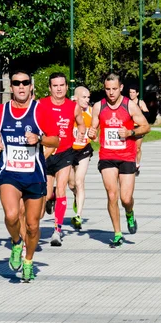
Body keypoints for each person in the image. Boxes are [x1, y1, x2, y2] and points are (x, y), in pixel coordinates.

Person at [0, 70, 59, 283]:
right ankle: (16, 242)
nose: (21, 86)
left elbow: (56, 140)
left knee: (33, 225)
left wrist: (39, 139)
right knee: (11, 215)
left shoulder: (40, 111)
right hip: (9, 171)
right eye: (17, 83)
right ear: (11, 87)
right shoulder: (2, 110)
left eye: (25, 83)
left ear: (31, 86)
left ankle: (28, 260)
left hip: (34, 174)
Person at [88, 73, 150, 248]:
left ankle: (129, 213)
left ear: (121, 88)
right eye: (107, 89)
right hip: (107, 157)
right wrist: (91, 133)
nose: (111, 93)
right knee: (112, 195)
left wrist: (130, 133)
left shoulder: (129, 106)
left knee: (125, 198)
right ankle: (117, 233)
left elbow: (146, 126)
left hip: (127, 157)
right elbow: (93, 129)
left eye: (114, 89)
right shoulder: (98, 106)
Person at [39, 73, 86, 247]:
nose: (59, 89)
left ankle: (57, 230)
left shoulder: (73, 106)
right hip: (45, 153)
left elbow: (80, 123)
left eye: (61, 85)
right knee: (43, 195)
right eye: (55, 86)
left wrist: (81, 132)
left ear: (67, 87)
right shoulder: (41, 105)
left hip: (65, 153)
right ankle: (48, 199)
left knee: (61, 190)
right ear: (50, 88)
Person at [68, 86, 93, 230]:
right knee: (71, 184)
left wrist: (93, 134)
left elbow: (96, 130)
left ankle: (78, 215)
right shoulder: (69, 109)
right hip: (69, 150)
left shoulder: (90, 112)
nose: (87, 100)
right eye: (84, 97)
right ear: (76, 98)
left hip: (84, 150)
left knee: (79, 181)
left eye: (88, 97)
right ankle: (77, 197)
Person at [128, 84, 150, 176]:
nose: (132, 94)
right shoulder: (127, 102)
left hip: (138, 128)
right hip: (129, 128)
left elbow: (148, 114)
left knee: (137, 148)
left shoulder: (140, 102)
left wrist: (140, 114)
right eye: (130, 92)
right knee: (130, 148)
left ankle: (137, 164)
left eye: (133, 92)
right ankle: (130, 164)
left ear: (137, 93)